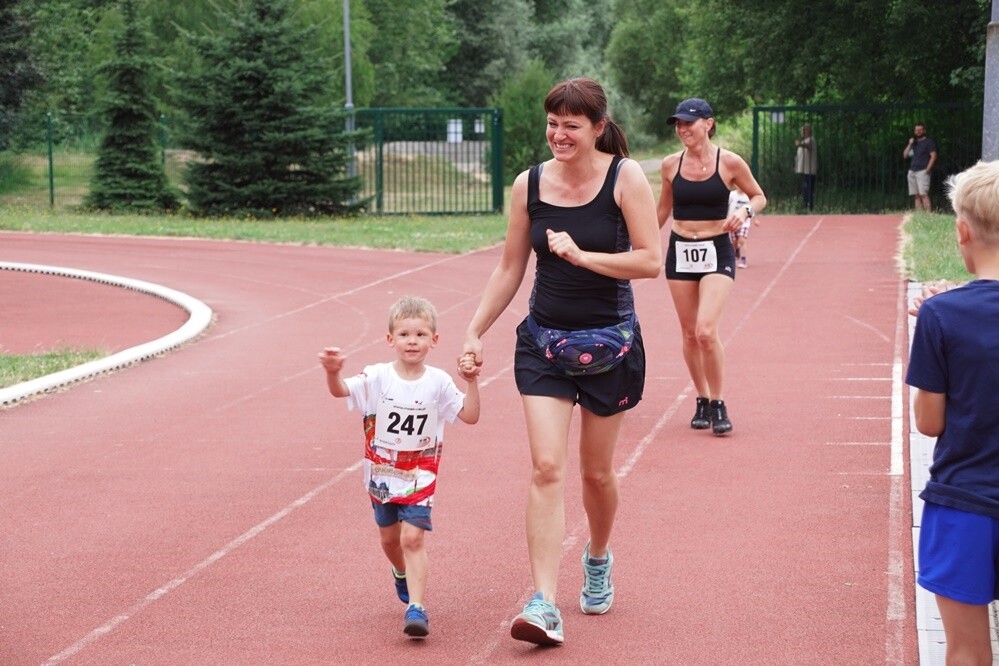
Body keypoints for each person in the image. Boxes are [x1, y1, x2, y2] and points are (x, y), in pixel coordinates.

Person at [460, 77, 661, 646]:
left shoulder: (626, 179)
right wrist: (475, 329)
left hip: (609, 346)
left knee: (596, 472)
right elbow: (509, 268)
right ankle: (544, 601)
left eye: (571, 125)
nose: (559, 134)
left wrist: (582, 255)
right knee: (547, 467)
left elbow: (649, 261)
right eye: (552, 123)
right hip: (544, 344)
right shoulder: (529, 185)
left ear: (598, 127)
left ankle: (597, 556)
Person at [318, 295, 480, 639]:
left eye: (421, 335)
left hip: (421, 473)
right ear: (390, 339)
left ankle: (416, 608)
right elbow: (340, 392)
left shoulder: (438, 381)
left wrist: (472, 381)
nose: (412, 341)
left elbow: (470, 415)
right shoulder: (377, 377)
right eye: (405, 334)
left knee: (412, 538)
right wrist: (333, 373)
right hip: (381, 475)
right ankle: (401, 574)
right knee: (390, 540)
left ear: (434, 340)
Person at [906, 159, 999, 666]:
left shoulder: (941, 316)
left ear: (962, 231)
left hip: (965, 500)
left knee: (965, 649)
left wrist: (934, 330)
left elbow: (929, 423)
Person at [657, 98, 766, 436]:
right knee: (689, 333)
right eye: (678, 123)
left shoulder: (730, 162)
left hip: (716, 249)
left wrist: (745, 211)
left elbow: (759, 195)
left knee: (706, 329)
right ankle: (701, 397)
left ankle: (718, 400)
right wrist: (633, 241)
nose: (682, 129)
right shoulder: (670, 165)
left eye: (689, 122)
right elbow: (661, 211)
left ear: (708, 123)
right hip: (680, 249)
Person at [903, 123, 937, 212]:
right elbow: (905, 155)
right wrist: (910, 144)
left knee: (923, 194)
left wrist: (927, 169)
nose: (918, 132)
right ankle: (919, 215)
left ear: (924, 131)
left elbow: (933, 156)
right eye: (916, 130)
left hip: (922, 171)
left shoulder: (929, 142)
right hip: (912, 171)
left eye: (920, 130)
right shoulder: (914, 143)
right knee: (916, 195)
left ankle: (929, 215)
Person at [727, 187, 760, 269]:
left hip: (744, 222)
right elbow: (725, 205)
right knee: (734, 242)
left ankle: (743, 260)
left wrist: (755, 220)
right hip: (732, 221)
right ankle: (737, 249)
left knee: (742, 240)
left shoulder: (747, 197)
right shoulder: (732, 195)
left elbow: (751, 210)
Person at [794, 123, 817, 210]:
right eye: (803, 130)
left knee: (808, 188)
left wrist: (799, 144)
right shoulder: (804, 141)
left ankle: (809, 205)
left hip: (809, 170)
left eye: (805, 130)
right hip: (803, 170)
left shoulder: (811, 140)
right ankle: (806, 205)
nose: (803, 132)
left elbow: (809, 146)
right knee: (805, 189)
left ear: (809, 131)